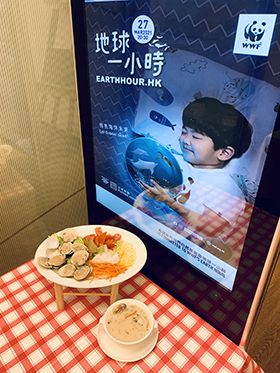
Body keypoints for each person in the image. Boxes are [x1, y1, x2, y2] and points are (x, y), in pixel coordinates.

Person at [137, 97, 253, 240]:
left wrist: (167, 201)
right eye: (184, 132)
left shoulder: (225, 186)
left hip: (195, 247)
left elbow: (212, 229)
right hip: (159, 229)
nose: (185, 140)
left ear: (224, 153)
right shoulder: (180, 160)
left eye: (196, 137)